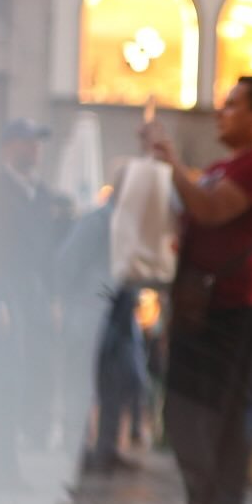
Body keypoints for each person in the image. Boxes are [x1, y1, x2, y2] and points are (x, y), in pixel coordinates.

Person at [144, 77, 252, 504]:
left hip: (235, 312)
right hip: (197, 308)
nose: (220, 113)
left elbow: (209, 210)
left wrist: (171, 163)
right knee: (183, 417)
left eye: (232, 105)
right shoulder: (221, 167)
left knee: (224, 425)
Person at [0, 117, 55, 488]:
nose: (34, 148)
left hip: (33, 296)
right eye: (26, 141)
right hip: (4, 295)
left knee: (33, 376)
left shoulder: (41, 195)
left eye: (37, 141)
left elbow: (48, 253)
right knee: (7, 378)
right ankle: (4, 466)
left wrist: (51, 297)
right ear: (8, 147)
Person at [55, 174, 146, 473]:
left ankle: (106, 449)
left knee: (118, 383)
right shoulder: (96, 221)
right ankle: (78, 450)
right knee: (83, 384)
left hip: (119, 317)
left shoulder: (130, 226)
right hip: (92, 315)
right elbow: (67, 263)